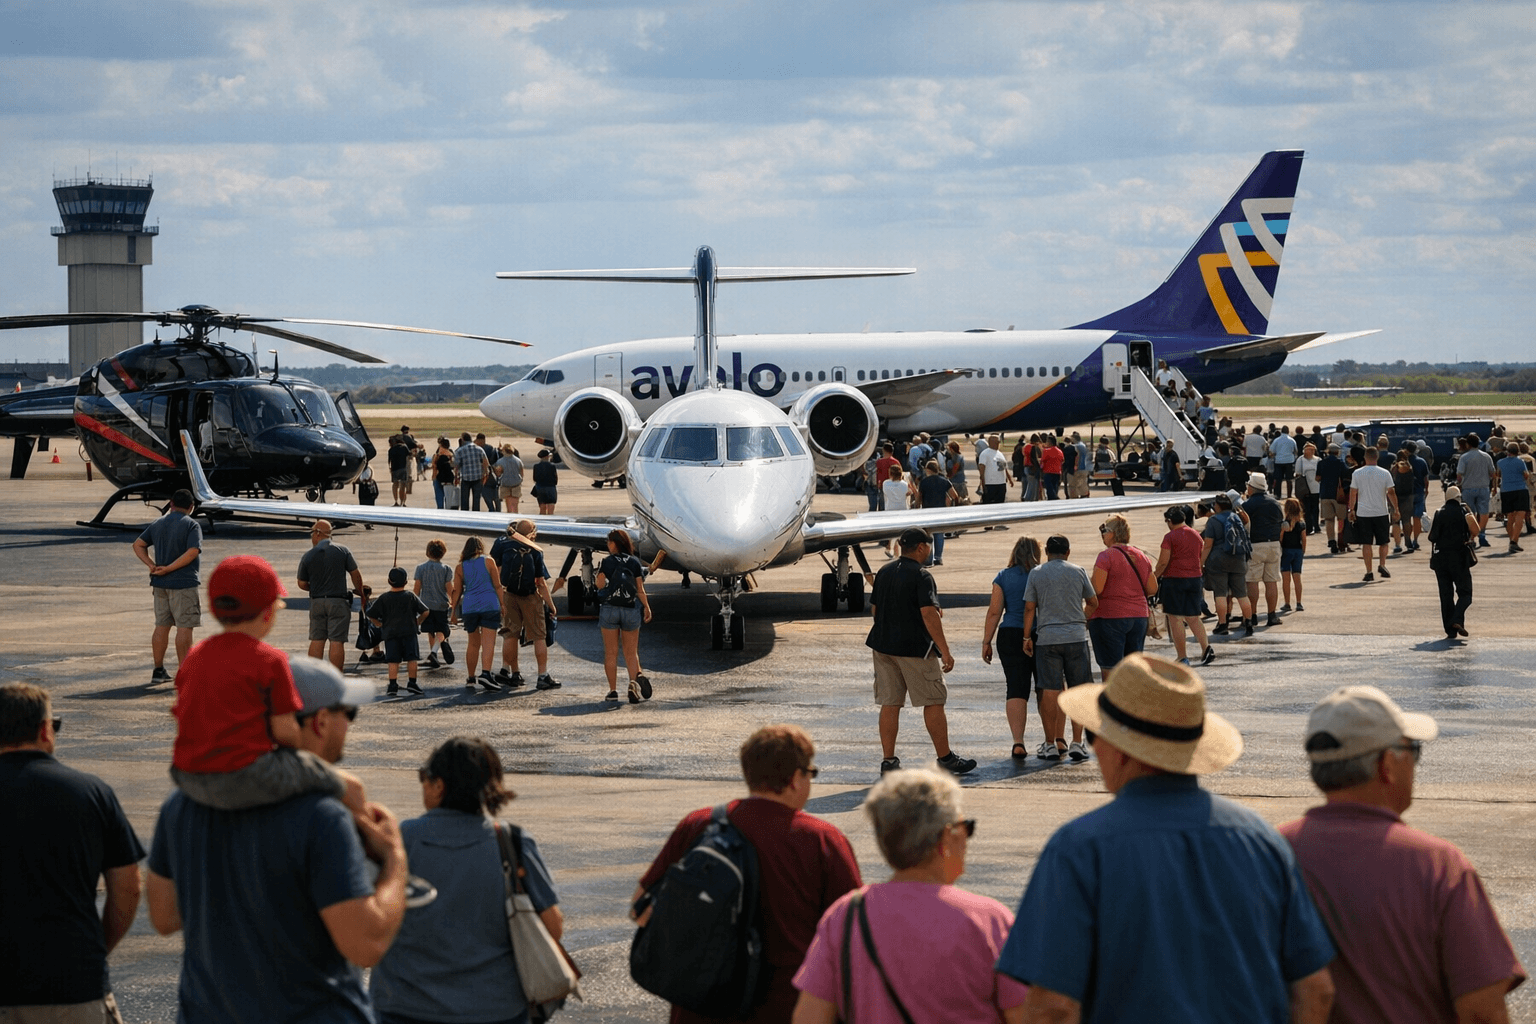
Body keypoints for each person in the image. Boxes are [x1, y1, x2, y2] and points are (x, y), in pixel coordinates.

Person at [996, 654, 1336, 1024]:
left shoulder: (1080, 849)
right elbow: (1316, 990)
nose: (1095, 750)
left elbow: (1054, 1009)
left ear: (1122, 750)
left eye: (1096, 735)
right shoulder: (1262, 841)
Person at [147, 656, 406, 1024]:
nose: (349, 723)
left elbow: (164, 916)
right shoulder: (322, 816)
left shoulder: (183, 804)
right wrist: (395, 861)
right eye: (348, 713)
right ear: (318, 721)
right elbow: (366, 944)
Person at [1280, 686, 1526, 1023]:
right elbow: (1481, 1010)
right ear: (1386, 765)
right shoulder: (1439, 866)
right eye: (1412, 750)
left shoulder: (1271, 854)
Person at [637, 725, 861, 1024]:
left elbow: (641, 910)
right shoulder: (822, 840)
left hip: (699, 1008)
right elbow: (852, 940)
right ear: (796, 778)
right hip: (786, 1009)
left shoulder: (700, 824)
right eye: (811, 773)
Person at [791, 769, 1027, 1024]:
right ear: (945, 838)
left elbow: (809, 1017)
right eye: (965, 827)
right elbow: (1027, 1016)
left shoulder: (846, 915)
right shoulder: (989, 920)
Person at [371, 736, 564, 1024]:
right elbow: (553, 926)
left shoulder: (400, 841)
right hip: (496, 1008)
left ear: (439, 786)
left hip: (407, 1006)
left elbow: (370, 920)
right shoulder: (511, 843)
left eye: (425, 777)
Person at [1, 682, 145, 1024]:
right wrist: (96, 950)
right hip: (75, 983)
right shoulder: (90, 793)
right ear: (44, 730)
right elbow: (128, 886)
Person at [171, 555, 352, 813]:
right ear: (268, 613)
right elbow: (285, 732)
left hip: (189, 775)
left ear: (214, 608)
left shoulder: (194, 657)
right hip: (246, 776)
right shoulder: (270, 660)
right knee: (344, 785)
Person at [867, 528, 974, 776]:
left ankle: (888, 760)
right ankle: (945, 758)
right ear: (921, 548)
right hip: (914, 648)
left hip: (882, 646)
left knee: (890, 703)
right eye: (928, 546)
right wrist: (945, 651)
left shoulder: (883, 571)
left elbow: (875, 609)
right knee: (934, 700)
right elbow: (928, 615)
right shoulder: (921, 576)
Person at [1023, 534, 1098, 763]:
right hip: (1075, 637)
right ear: (1068, 552)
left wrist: (1026, 636)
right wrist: (1081, 620)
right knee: (1078, 690)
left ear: (1046, 553)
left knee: (1049, 690)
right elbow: (1093, 602)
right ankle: (1077, 742)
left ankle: (1050, 744)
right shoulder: (1078, 571)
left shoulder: (1036, 573)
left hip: (1047, 638)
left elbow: (1029, 608)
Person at [132, 487, 202, 685]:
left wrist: (152, 565)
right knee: (184, 627)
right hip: (183, 583)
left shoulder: (158, 523)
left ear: (171, 504)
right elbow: (193, 551)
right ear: (191, 507)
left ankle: (158, 669)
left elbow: (138, 545)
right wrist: (170, 568)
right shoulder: (191, 525)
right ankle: (185, 672)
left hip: (160, 584)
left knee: (162, 625)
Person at [982, 535, 1041, 760]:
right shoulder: (1042, 574)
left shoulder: (1003, 577)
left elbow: (995, 611)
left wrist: (986, 641)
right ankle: (1054, 739)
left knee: (1016, 687)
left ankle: (1018, 741)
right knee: (1045, 686)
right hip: (1039, 633)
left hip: (1009, 634)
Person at [495, 520, 563, 691]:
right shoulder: (535, 550)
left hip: (509, 594)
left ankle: (514, 673)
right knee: (539, 636)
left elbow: (497, 570)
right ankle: (542, 675)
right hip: (530, 597)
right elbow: (540, 582)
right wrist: (551, 604)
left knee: (510, 635)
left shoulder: (502, 544)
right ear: (531, 533)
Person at [1088, 514, 1156, 681]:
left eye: (1104, 530)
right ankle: (1130, 704)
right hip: (1138, 617)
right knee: (1132, 668)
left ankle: (1112, 705)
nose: (1102, 534)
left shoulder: (1106, 556)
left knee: (1110, 669)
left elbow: (1097, 588)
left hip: (1109, 617)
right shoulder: (1141, 555)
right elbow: (1152, 588)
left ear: (1112, 533)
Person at [297, 519, 367, 673]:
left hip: (317, 602)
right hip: (338, 601)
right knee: (336, 641)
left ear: (317, 533)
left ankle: (313, 675)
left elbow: (301, 583)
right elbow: (355, 574)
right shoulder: (343, 551)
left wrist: (313, 588)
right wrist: (361, 592)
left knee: (317, 639)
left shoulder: (308, 556)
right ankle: (336, 676)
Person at [1151, 506, 1214, 666]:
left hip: (1174, 580)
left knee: (1175, 619)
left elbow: (1163, 562)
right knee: (1193, 617)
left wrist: (1153, 578)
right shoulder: (1196, 535)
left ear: (1170, 521)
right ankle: (1206, 648)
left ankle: (1182, 656)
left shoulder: (1169, 537)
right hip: (1194, 579)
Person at [595, 529, 653, 703]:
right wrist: (647, 607)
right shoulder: (634, 562)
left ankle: (612, 691)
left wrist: (602, 576)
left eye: (609, 542)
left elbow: (599, 585)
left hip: (610, 609)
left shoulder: (607, 562)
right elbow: (640, 589)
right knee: (631, 653)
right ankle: (633, 683)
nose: (607, 544)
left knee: (611, 653)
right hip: (630, 609)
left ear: (614, 543)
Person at [448, 536, 505, 692]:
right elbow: (497, 585)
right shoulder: (489, 561)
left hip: (470, 607)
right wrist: (503, 604)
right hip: (489, 604)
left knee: (473, 643)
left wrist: (453, 612)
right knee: (488, 642)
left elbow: (456, 592)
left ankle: (471, 676)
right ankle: (485, 673)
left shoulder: (460, 567)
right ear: (481, 547)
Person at [368, 567, 430, 696]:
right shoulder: (410, 596)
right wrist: (418, 621)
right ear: (406, 582)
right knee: (412, 659)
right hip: (409, 632)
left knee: (393, 661)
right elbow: (425, 611)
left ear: (389, 581)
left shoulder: (384, 597)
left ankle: (392, 685)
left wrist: (378, 624)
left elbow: (371, 614)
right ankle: (412, 683)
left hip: (390, 634)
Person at [1428, 486, 1480, 640]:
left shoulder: (1438, 512)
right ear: (1459, 497)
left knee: (1446, 595)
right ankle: (1457, 620)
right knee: (1465, 594)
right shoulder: (1464, 512)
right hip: (1459, 558)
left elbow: (1432, 537)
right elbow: (1476, 530)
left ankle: (1451, 630)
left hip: (1441, 560)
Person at [1201, 493, 1255, 637]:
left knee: (1220, 594)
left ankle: (1223, 624)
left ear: (1217, 506)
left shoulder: (1213, 520)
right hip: (1238, 559)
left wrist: (1201, 563)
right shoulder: (1236, 517)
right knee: (1242, 594)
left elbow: (1208, 545)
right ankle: (1249, 623)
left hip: (1218, 561)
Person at [1348, 446, 1398, 583]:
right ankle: (1382, 564)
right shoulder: (1385, 473)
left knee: (1366, 543)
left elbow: (1353, 492)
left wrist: (1351, 509)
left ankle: (1369, 571)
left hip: (1363, 513)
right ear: (1377, 457)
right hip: (1381, 511)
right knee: (1383, 542)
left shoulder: (1357, 473)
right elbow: (1391, 492)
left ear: (1365, 457)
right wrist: (1396, 509)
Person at [1243, 472, 1285, 627]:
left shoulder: (1247, 505)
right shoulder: (1275, 503)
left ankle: (1252, 615)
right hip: (1273, 544)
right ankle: (1271, 615)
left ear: (1252, 487)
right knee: (1271, 580)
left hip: (1255, 544)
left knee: (1252, 580)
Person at [413, 539, 455, 670]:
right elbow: (449, 589)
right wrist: (453, 602)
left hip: (425, 604)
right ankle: (434, 652)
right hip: (441, 605)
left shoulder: (420, 568)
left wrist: (415, 604)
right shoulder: (446, 569)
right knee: (442, 630)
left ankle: (433, 653)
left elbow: (417, 588)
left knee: (430, 630)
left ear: (427, 552)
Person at [1457, 433, 1496, 547]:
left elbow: (1460, 474)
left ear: (1468, 444)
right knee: (1484, 512)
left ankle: (1471, 537)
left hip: (1468, 488)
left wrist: (1459, 484)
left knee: (1470, 514)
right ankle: (1482, 535)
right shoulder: (1486, 456)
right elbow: (1493, 473)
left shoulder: (1464, 457)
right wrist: (1492, 485)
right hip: (1483, 487)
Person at [915, 459, 956, 564]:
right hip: (940, 511)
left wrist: (916, 507)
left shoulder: (923, 482)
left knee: (928, 536)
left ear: (928, 470)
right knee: (939, 534)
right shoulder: (944, 481)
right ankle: (938, 558)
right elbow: (954, 495)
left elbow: (918, 498)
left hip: (927, 511)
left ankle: (928, 559)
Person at [1495, 443, 1530, 552]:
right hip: (1520, 490)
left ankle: (1513, 540)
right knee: (1520, 515)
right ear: (1517, 451)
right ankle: (1513, 542)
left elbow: (1498, 475)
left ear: (1507, 451)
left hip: (1506, 490)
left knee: (1510, 518)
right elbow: (1526, 475)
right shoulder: (1520, 462)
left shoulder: (1500, 462)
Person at [1279, 496, 1307, 613]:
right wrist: (1303, 551)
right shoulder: (1301, 524)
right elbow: (1304, 539)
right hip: (1298, 551)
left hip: (1286, 551)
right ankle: (1299, 603)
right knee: (1297, 577)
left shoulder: (1285, 523)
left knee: (1286, 579)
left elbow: (1280, 538)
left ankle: (1287, 603)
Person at [453, 431, 489, 512]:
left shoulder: (460, 451)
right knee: (476, 501)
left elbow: (456, 466)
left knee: (464, 501)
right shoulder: (480, 449)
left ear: (463, 440)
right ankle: (475, 517)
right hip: (477, 478)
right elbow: (486, 463)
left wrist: (456, 477)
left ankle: (465, 518)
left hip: (465, 478)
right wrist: (485, 474)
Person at [978, 433, 1011, 504]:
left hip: (1001, 484)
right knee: (989, 505)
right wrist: (983, 485)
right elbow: (982, 470)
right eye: (996, 442)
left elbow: (1004, 467)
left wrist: (1009, 478)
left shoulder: (1000, 454)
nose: (998, 444)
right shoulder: (985, 454)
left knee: (1000, 504)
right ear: (990, 442)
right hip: (990, 484)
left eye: (998, 442)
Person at [1296, 441, 1320, 534]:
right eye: (1310, 449)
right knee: (1307, 508)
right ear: (1305, 450)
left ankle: (1316, 526)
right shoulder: (1300, 460)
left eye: (1313, 449)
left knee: (1315, 508)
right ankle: (1309, 527)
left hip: (1315, 487)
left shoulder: (1318, 460)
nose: (1312, 451)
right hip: (1305, 487)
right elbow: (1298, 473)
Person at [493, 444, 524, 514]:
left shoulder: (500, 461)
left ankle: (510, 517)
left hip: (505, 484)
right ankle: (516, 516)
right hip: (516, 483)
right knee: (515, 504)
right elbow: (521, 473)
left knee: (509, 505)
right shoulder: (518, 461)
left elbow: (498, 473)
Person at [1270, 425, 1298, 497]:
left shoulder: (1276, 440)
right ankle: (1289, 495)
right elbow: (1295, 451)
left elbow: (1271, 450)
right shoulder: (1292, 440)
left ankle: (1278, 495)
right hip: (1289, 461)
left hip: (1279, 461)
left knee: (1278, 479)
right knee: (1289, 479)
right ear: (1288, 431)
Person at [531, 448, 559, 514]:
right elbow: (555, 479)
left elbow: (535, 478)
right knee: (551, 507)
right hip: (551, 488)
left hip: (540, 488)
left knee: (542, 507)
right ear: (547, 456)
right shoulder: (552, 466)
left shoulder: (536, 466)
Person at [387, 435, 411, 506]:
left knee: (395, 485)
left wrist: (390, 469)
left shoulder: (391, 450)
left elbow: (389, 461)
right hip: (403, 468)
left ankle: (395, 501)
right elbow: (410, 455)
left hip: (394, 469)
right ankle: (402, 501)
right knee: (403, 485)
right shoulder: (404, 447)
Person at [432, 437, 455, 509]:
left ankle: (440, 509)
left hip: (437, 476)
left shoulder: (438, 455)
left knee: (439, 495)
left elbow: (434, 465)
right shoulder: (451, 454)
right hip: (449, 477)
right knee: (448, 497)